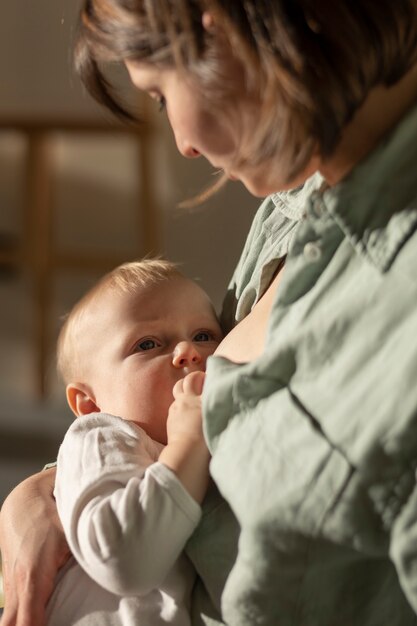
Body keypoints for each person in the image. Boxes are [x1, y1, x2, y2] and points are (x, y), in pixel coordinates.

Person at [2, 1, 417, 625]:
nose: (185, 146)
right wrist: (51, 490)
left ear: (220, 29)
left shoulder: (395, 286)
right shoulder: (295, 204)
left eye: (161, 95)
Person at [45, 258, 222, 625]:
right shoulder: (100, 438)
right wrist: (187, 443)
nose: (189, 351)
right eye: (148, 343)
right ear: (90, 403)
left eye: (204, 335)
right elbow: (124, 560)